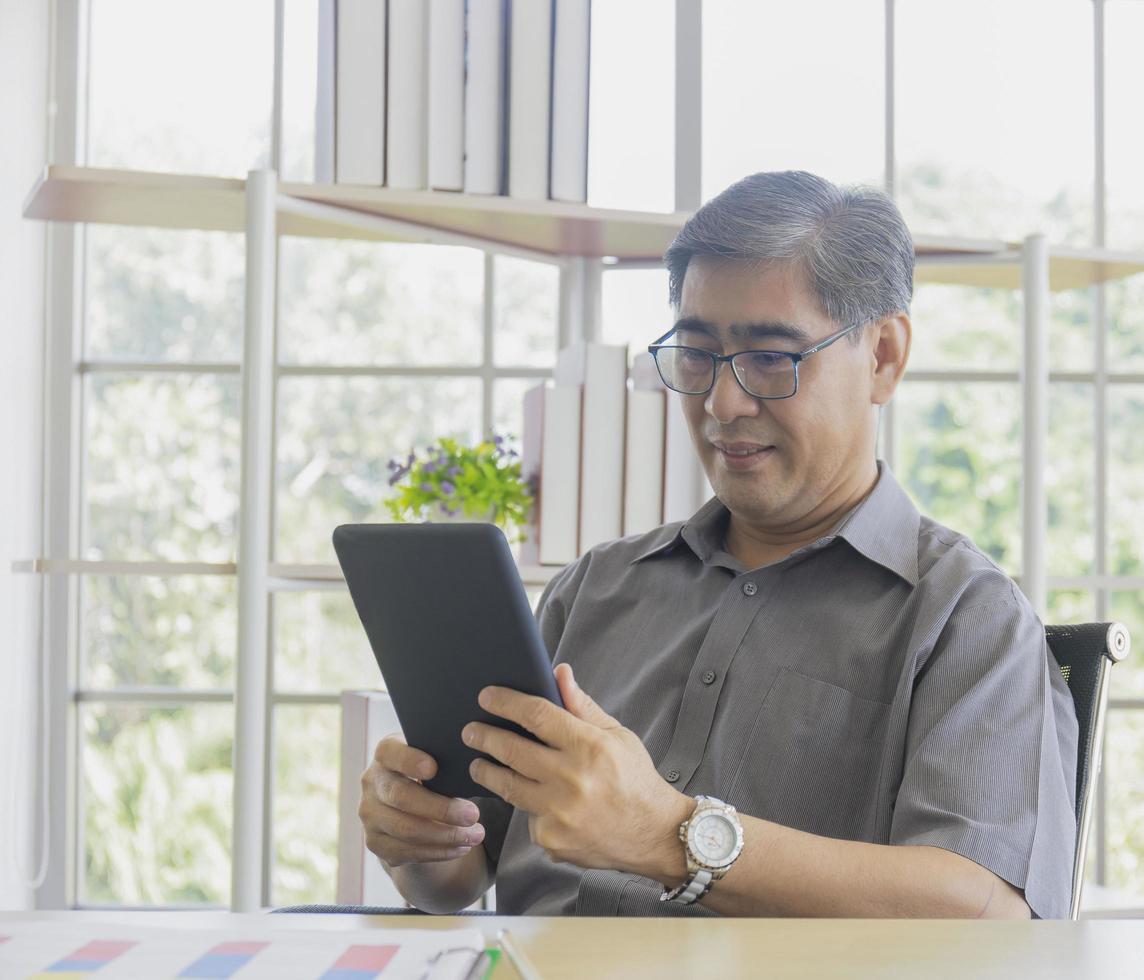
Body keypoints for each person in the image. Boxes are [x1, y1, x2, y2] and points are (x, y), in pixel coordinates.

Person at [357, 171, 1079, 919]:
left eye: (771, 357)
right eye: (696, 354)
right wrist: (416, 841)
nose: (722, 404)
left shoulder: (965, 617)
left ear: (883, 356)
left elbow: (985, 914)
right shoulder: (596, 588)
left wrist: (671, 836)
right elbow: (465, 874)